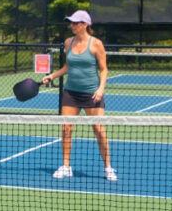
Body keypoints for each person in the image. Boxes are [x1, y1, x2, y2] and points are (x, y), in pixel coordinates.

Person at [41, 10, 117, 181]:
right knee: (66, 128)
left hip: (92, 94)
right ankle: (66, 166)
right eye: (71, 23)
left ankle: (108, 168)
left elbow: (104, 69)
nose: (72, 26)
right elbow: (67, 67)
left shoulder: (96, 44)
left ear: (84, 25)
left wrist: (100, 89)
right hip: (71, 93)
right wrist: (51, 76)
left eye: (75, 23)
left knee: (98, 129)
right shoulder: (68, 42)